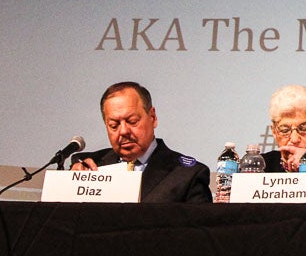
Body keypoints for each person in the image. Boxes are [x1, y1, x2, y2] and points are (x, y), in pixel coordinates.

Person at [71, 81, 211, 203]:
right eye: (114, 125)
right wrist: (70, 183)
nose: (123, 131)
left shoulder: (187, 175)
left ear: (153, 117)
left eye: (132, 121)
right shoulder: (89, 166)